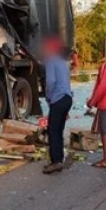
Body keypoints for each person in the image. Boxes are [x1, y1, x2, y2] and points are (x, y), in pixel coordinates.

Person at [42, 37, 73, 174]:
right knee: (58, 130)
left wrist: (48, 96)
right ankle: (59, 158)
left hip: (58, 98)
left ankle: (55, 162)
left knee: (53, 130)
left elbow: (50, 81)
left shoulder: (51, 61)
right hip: (67, 98)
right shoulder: (64, 63)